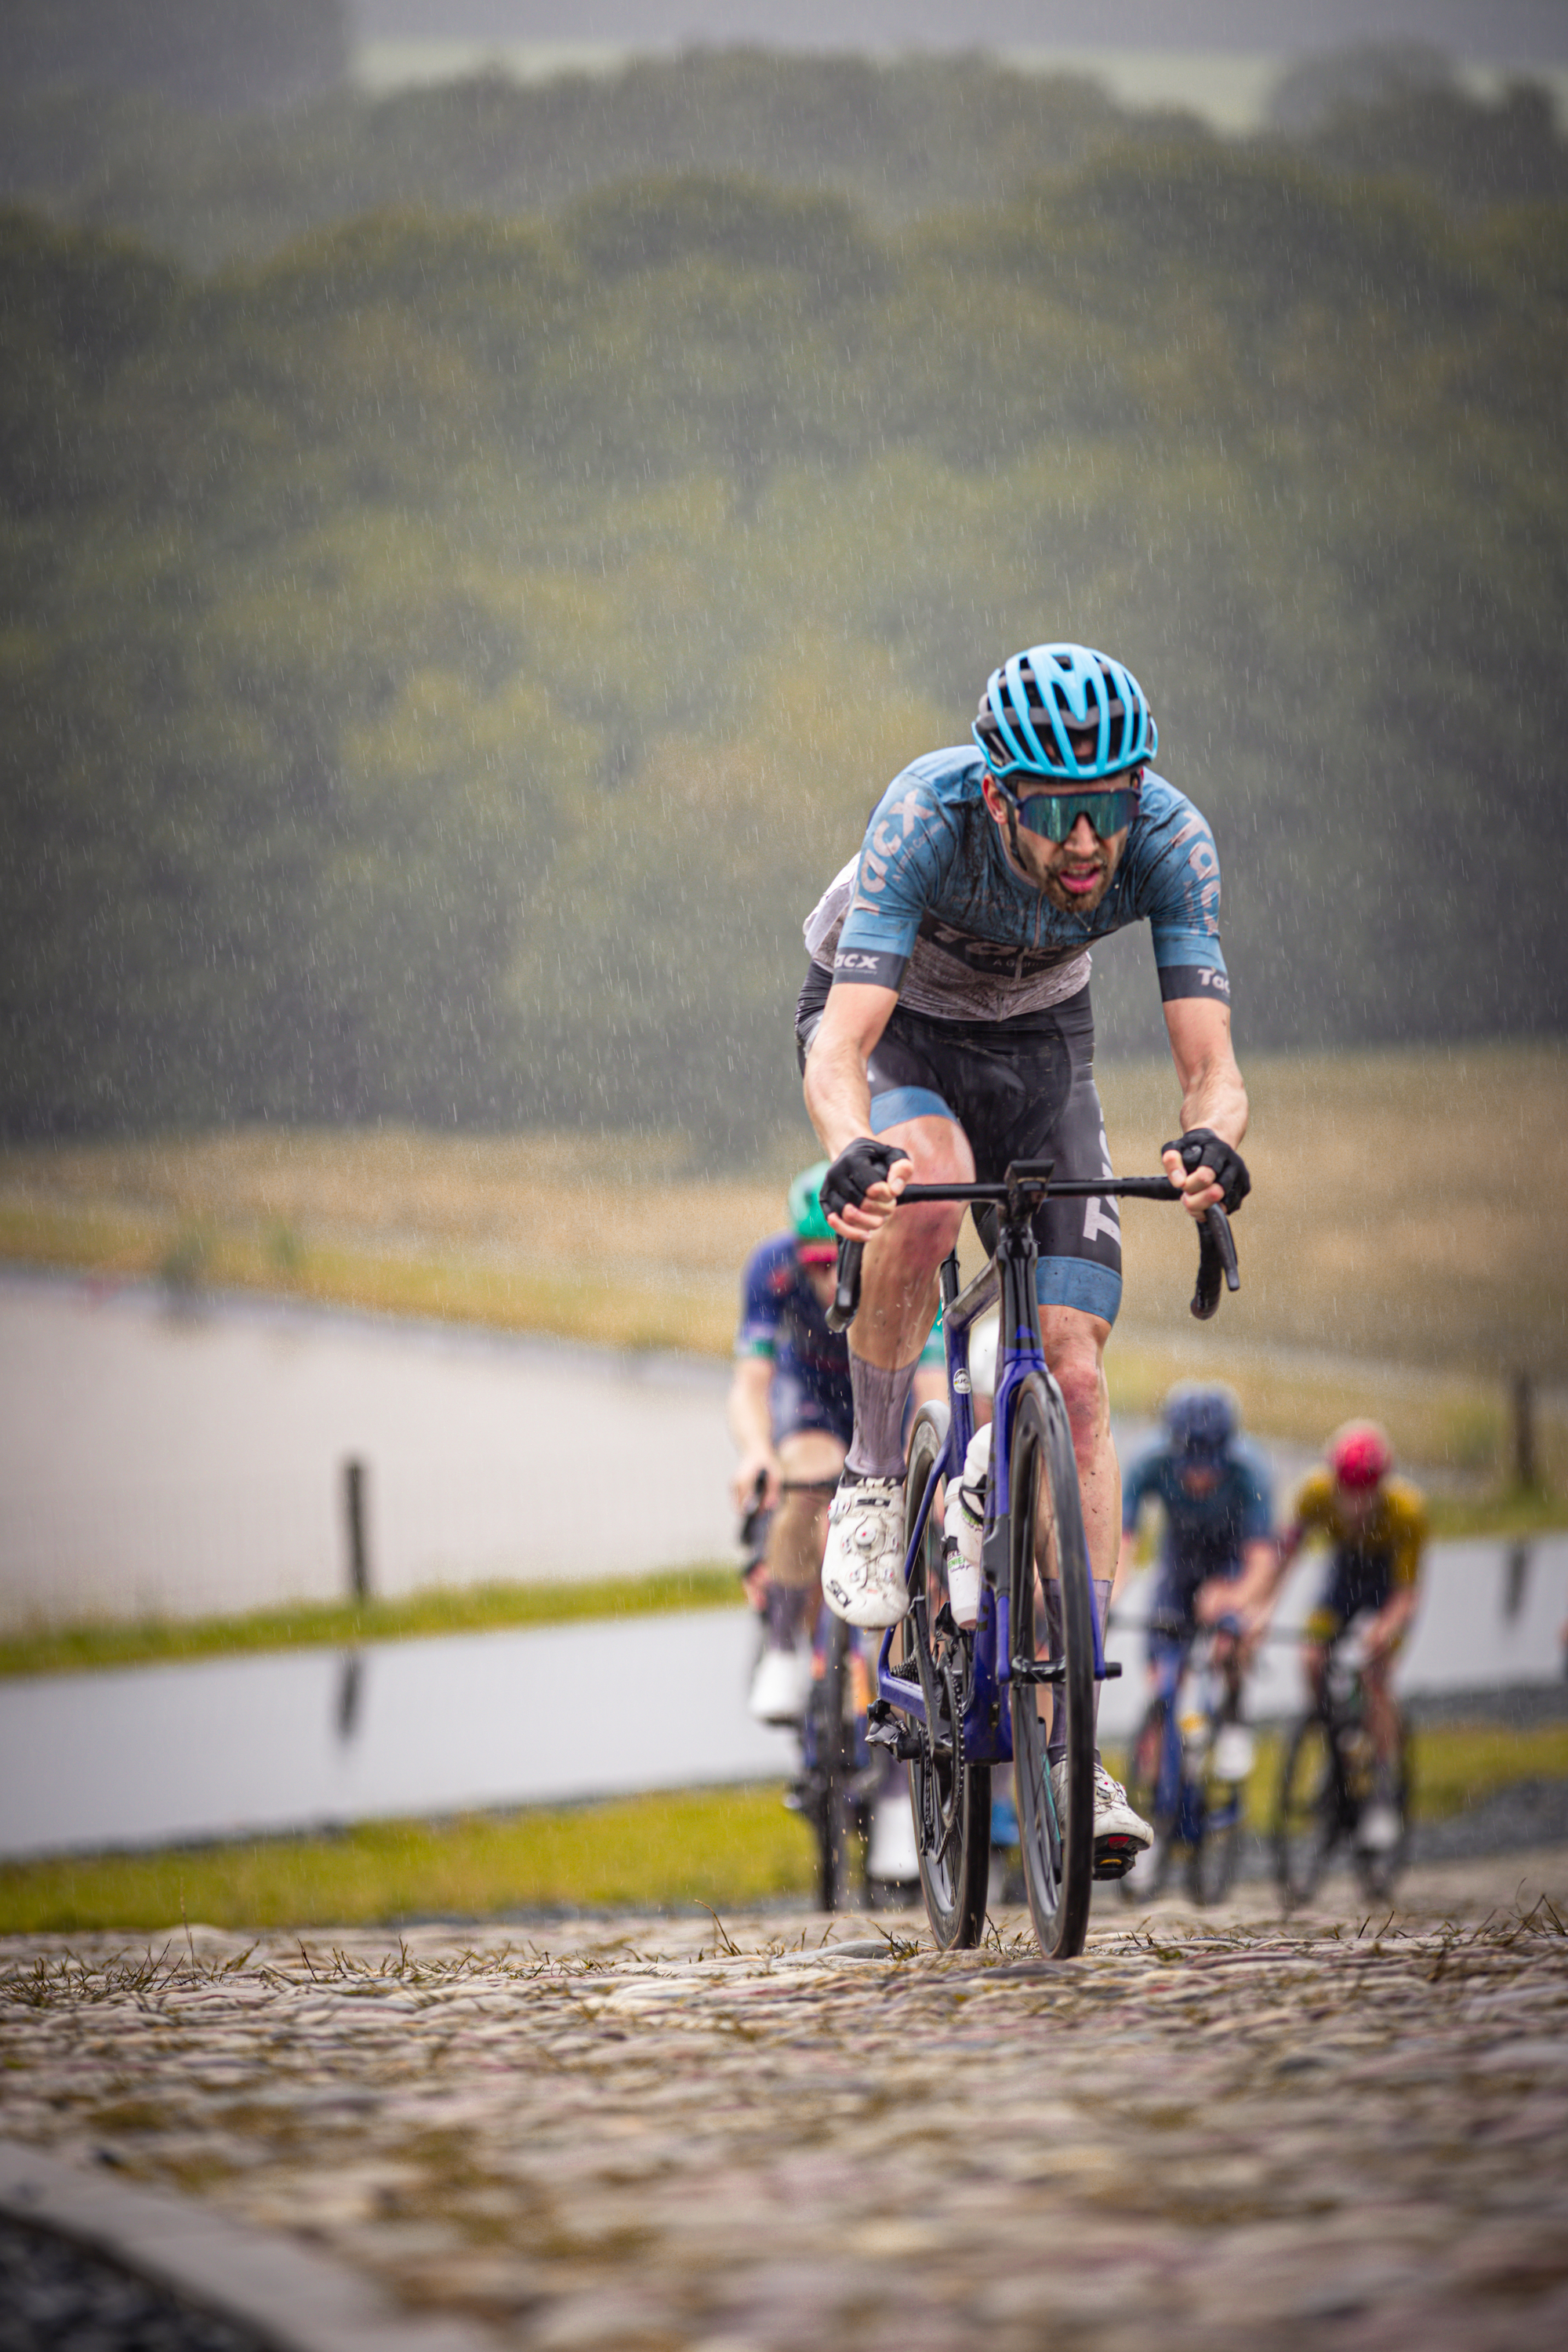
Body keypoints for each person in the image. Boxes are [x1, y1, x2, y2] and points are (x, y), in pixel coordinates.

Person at [796, 640, 1251, 1872]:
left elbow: (1211, 1063)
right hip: (899, 1031)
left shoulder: (1167, 837)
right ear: (999, 796)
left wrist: (1211, 1138)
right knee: (929, 1194)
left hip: (1044, 1040)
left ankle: (1070, 1744)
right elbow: (840, 1048)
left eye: (1109, 807)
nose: (1089, 844)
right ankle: (882, 1478)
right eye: (1058, 813)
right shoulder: (924, 819)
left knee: (1081, 1379)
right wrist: (849, 1150)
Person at [728, 1162, 942, 1726]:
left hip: (886, 1397)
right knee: (804, 1476)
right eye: (818, 1263)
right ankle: (784, 1646)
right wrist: (756, 1451)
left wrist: (940, 1474)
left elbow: (932, 1387)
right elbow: (751, 1383)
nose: (830, 1282)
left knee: (916, 1530)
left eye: (845, 1261)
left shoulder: (910, 1267)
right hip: (814, 1398)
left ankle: (901, 1710)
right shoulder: (770, 1267)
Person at [1250, 1421, 1425, 1852]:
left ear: (1382, 1486)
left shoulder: (1407, 1511)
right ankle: (1331, 1742)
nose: (1356, 1503)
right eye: (1348, 1491)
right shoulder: (1315, 1494)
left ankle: (1382, 1787)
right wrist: (1262, 1612)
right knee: (1311, 1658)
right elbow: (1284, 1558)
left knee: (1374, 1676)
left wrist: (1385, 1630)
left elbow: (1406, 1595)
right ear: (1334, 1481)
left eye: (1367, 1492)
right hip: (1343, 1577)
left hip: (1386, 1584)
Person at [1120, 1384, 1275, 1773]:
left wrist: (1235, 1597)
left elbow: (1262, 1561)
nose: (1201, 1477)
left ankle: (1234, 1717)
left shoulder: (1250, 1472)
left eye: (1210, 1466)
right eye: (1191, 1465)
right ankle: (1166, 1756)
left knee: (1230, 1642)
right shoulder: (1149, 1464)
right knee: (1163, 1666)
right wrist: (1109, 1595)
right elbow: (1123, 1544)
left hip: (1230, 1564)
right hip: (1178, 1565)